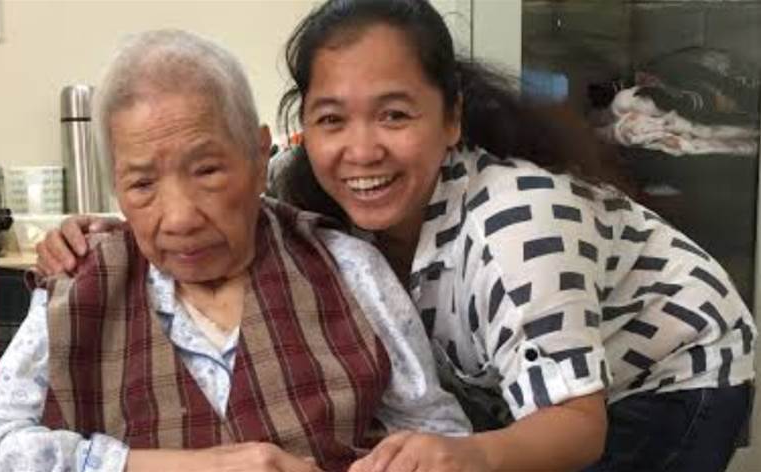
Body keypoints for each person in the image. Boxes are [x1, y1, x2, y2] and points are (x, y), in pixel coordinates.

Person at [37, 1, 757, 471]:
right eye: (332, 118)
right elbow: (205, 197)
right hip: (517, 377)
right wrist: (107, 234)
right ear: (298, 129)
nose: (361, 151)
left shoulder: (517, 223)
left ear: (451, 118)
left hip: (665, 373)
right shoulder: (306, 176)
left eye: (394, 114)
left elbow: (575, 426)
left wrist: (467, 455)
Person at [0, 29, 471, 472]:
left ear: (259, 155)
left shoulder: (347, 268)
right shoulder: (82, 283)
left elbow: (441, 436)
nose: (180, 217)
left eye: (207, 170)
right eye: (142, 184)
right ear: (116, 189)